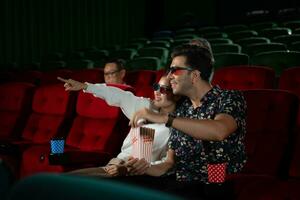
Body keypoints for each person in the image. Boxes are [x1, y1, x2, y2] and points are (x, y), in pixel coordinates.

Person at [128, 44, 247, 199]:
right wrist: (142, 167)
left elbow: (219, 131)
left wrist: (166, 118)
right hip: (181, 182)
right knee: (125, 185)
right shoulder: (183, 109)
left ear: (195, 76)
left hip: (215, 183)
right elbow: (169, 163)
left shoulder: (228, 98)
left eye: (175, 70)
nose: (169, 76)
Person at [57, 75, 179, 178]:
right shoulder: (146, 106)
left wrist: (130, 168)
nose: (157, 92)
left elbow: (166, 164)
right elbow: (120, 96)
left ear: (176, 94)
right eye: (156, 87)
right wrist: (86, 86)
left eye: (164, 89)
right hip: (114, 166)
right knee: (63, 181)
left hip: (135, 174)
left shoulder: (178, 125)